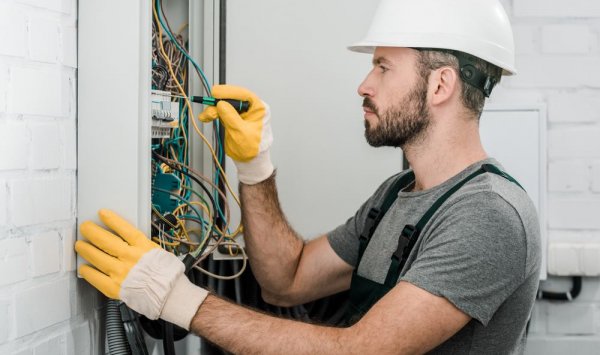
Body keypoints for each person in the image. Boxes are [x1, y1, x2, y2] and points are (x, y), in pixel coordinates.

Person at [75, 0, 541, 353]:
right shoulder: (398, 194)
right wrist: (256, 168)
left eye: (382, 66)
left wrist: (177, 300)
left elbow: (360, 350)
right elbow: (288, 278)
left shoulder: (487, 215)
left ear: (440, 85)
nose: (364, 83)